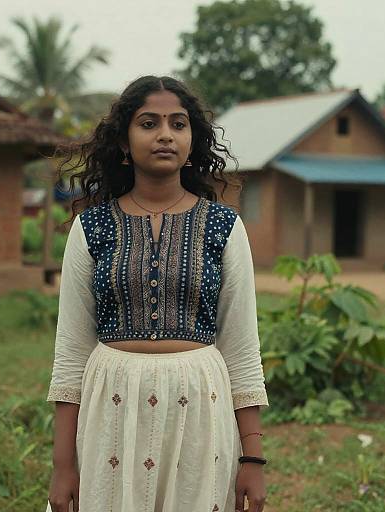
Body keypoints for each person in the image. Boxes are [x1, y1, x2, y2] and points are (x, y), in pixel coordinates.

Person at [45, 75, 269, 512]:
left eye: (178, 124)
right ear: (125, 143)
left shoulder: (224, 227)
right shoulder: (91, 227)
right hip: (111, 405)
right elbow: (71, 353)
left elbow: (242, 351)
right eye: (149, 123)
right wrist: (62, 466)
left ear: (192, 140)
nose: (165, 134)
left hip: (200, 408)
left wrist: (254, 458)